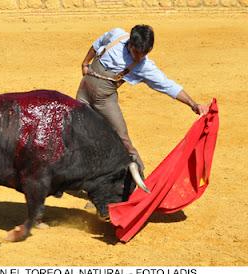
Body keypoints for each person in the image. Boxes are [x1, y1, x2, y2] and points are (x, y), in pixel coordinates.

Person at [76, 24, 209, 174]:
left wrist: (193, 104)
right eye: (136, 52)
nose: (139, 57)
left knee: (122, 138)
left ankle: (139, 175)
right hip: (83, 94)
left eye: (144, 53)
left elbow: (166, 85)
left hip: (105, 101)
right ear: (130, 44)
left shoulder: (144, 67)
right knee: (79, 133)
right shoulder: (116, 35)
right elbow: (97, 44)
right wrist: (85, 63)